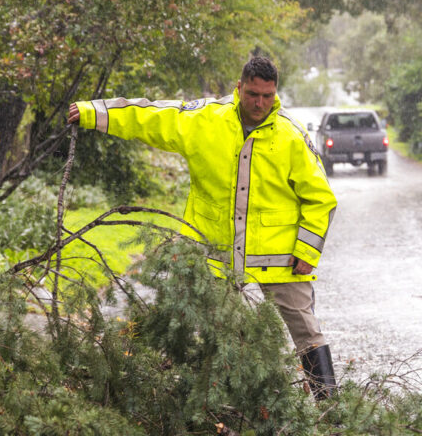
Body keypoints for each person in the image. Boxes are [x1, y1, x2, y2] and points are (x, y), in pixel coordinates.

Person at [68, 56, 338, 399]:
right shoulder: (205, 119)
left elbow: (321, 199)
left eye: (267, 96)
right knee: (221, 333)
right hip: (216, 256)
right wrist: (93, 112)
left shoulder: (291, 136)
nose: (260, 104)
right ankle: (229, 405)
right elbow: (151, 116)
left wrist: (307, 251)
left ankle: (331, 409)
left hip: (282, 257)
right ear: (239, 88)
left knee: (307, 331)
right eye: (253, 94)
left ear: (275, 93)